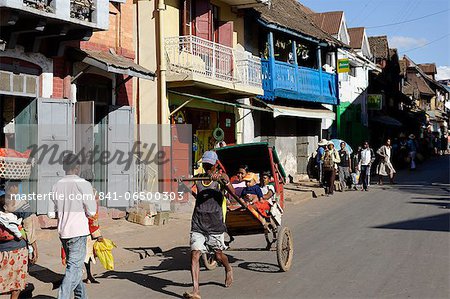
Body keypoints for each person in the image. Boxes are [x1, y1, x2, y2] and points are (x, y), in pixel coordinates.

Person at [185, 151, 233, 299]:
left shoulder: (221, 177)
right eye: (205, 165)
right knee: (195, 254)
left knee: (218, 255)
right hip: (198, 222)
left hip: (215, 223)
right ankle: (196, 291)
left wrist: (222, 181)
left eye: (209, 165)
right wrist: (184, 182)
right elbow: (190, 189)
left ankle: (228, 268)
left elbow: (230, 191)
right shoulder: (199, 178)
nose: (207, 167)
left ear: (216, 164)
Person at [48, 153, 97, 299]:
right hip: (78, 231)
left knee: (74, 268)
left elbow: (51, 214)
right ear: (77, 167)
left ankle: (81, 296)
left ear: (64, 167)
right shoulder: (83, 184)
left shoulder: (56, 186)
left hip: (63, 232)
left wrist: (64, 213)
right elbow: (92, 211)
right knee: (73, 268)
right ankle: (62, 296)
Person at [0, 191, 28, 299]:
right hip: (16, 251)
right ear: (5, 207)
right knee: (16, 282)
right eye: (12, 205)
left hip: (7, 250)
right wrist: (20, 235)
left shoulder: (7, 215)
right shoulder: (7, 217)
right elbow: (14, 228)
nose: (15, 206)